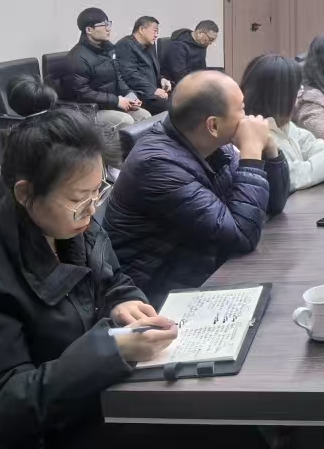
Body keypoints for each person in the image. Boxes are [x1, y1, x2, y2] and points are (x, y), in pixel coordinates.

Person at [0, 109, 177, 447]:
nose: (91, 209)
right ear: (25, 194)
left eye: (97, 192)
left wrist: (123, 301)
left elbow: (110, 279)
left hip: (96, 397)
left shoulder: (69, 223)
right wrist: (110, 351)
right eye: (78, 199)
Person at [103, 71, 289, 305]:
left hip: (201, 268)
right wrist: (251, 153)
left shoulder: (212, 145)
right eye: (242, 109)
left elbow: (273, 205)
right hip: (154, 296)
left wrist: (269, 148)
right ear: (213, 125)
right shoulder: (157, 164)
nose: (248, 118)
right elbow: (242, 237)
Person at [241, 54, 324, 192]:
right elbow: (292, 176)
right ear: (282, 96)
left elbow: (310, 146)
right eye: (297, 90)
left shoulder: (282, 123)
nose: (299, 95)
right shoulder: (253, 133)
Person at [67, 8, 152, 128]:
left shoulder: (109, 49)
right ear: (89, 30)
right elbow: (82, 93)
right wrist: (116, 101)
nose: (108, 29)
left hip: (111, 103)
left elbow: (118, 77)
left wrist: (130, 96)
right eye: (104, 25)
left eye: (109, 24)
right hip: (91, 110)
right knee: (125, 120)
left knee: (145, 115)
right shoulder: (77, 57)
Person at [115, 15, 171, 115]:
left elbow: (152, 71)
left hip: (153, 92)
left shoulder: (150, 46)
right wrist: (153, 90)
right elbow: (129, 75)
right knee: (171, 108)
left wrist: (162, 79)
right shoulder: (125, 45)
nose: (156, 35)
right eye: (155, 31)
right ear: (141, 29)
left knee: (183, 101)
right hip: (139, 94)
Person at [162, 19, 218, 84]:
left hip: (195, 81)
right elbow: (179, 76)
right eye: (210, 39)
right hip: (178, 83)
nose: (210, 43)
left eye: (213, 40)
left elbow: (201, 68)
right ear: (199, 32)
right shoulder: (178, 45)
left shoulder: (202, 44)